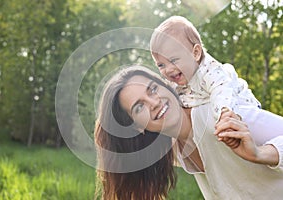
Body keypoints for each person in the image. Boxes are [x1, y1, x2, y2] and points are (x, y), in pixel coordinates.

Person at [94, 65, 283, 200]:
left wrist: (261, 154)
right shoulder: (173, 149)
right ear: (136, 127)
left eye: (152, 89)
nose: (154, 102)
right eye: (138, 107)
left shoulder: (218, 115)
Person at [149, 16, 261, 123]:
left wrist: (223, 115)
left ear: (195, 53)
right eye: (161, 65)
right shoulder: (174, 80)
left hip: (241, 104)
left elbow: (222, 91)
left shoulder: (209, 71)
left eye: (173, 60)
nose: (168, 70)